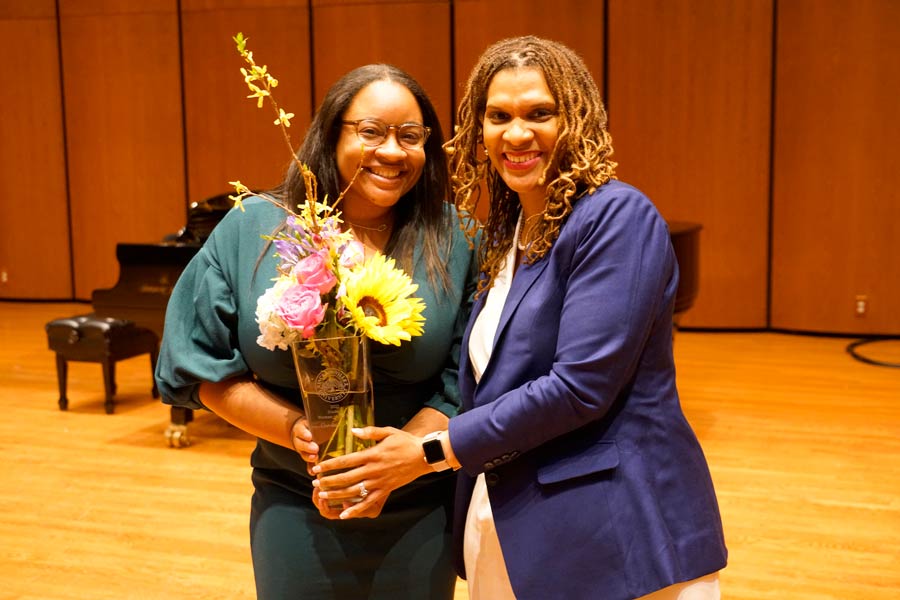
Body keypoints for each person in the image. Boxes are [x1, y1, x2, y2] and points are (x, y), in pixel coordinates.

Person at [315, 36, 728, 599]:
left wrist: (429, 452)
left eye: (540, 113)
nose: (516, 133)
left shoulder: (617, 216)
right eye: (498, 116)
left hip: (615, 536)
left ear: (577, 118)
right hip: (514, 525)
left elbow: (580, 388)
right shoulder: (507, 234)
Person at [154, 64, 475, 599]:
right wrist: (294, 431)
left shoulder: (458, 237)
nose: (392, 152)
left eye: (411, 136)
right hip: (295, 499)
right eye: (370, 131)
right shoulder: (254, 227)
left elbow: (467, 371)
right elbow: (199, 365)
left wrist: (401, 459)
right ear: (331, 133)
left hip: (419, 504)